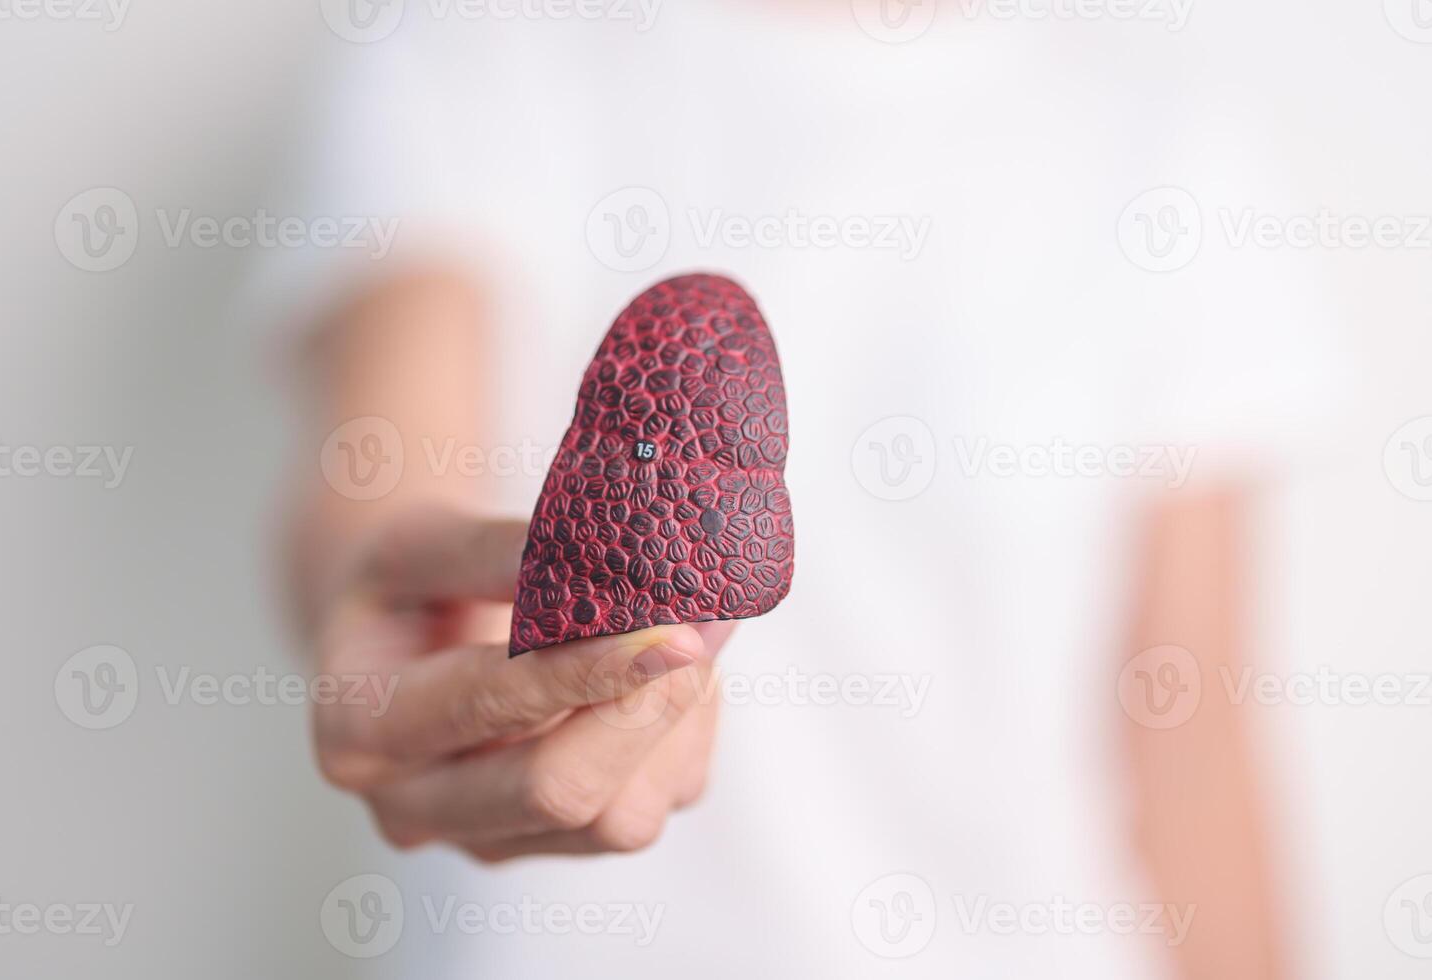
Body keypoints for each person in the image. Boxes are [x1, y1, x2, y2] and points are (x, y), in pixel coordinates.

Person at [268, 3, 1342, 975]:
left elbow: (1185, 730)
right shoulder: (480, 51)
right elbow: (383, 467)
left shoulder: (1163, 151)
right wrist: (406, 628)